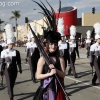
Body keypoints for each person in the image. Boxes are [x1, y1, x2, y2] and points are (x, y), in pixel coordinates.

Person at [33, 30, 66, 100]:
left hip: (58, 91)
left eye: (55, 44)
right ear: (47, 45)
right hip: (46, 92)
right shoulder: (42, 59)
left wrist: (56, 70)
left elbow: (63, 74)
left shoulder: (60, 59)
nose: (53, 46)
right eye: (51, 44)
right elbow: (38, 76)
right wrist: (49, 74)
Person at [0, 24, 22, 100]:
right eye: (9, 44)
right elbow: (2, 62)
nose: (11, 45)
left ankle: (10, 90)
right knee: (9, 82)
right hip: (7, 69)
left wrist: (20, 69)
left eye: (12, 44)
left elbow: (19, 61)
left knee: (12, 83)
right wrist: (1, 70)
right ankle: (11, 96)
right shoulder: (3, 52)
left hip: (14, 69)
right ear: (7, 44)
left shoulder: (17, 52)